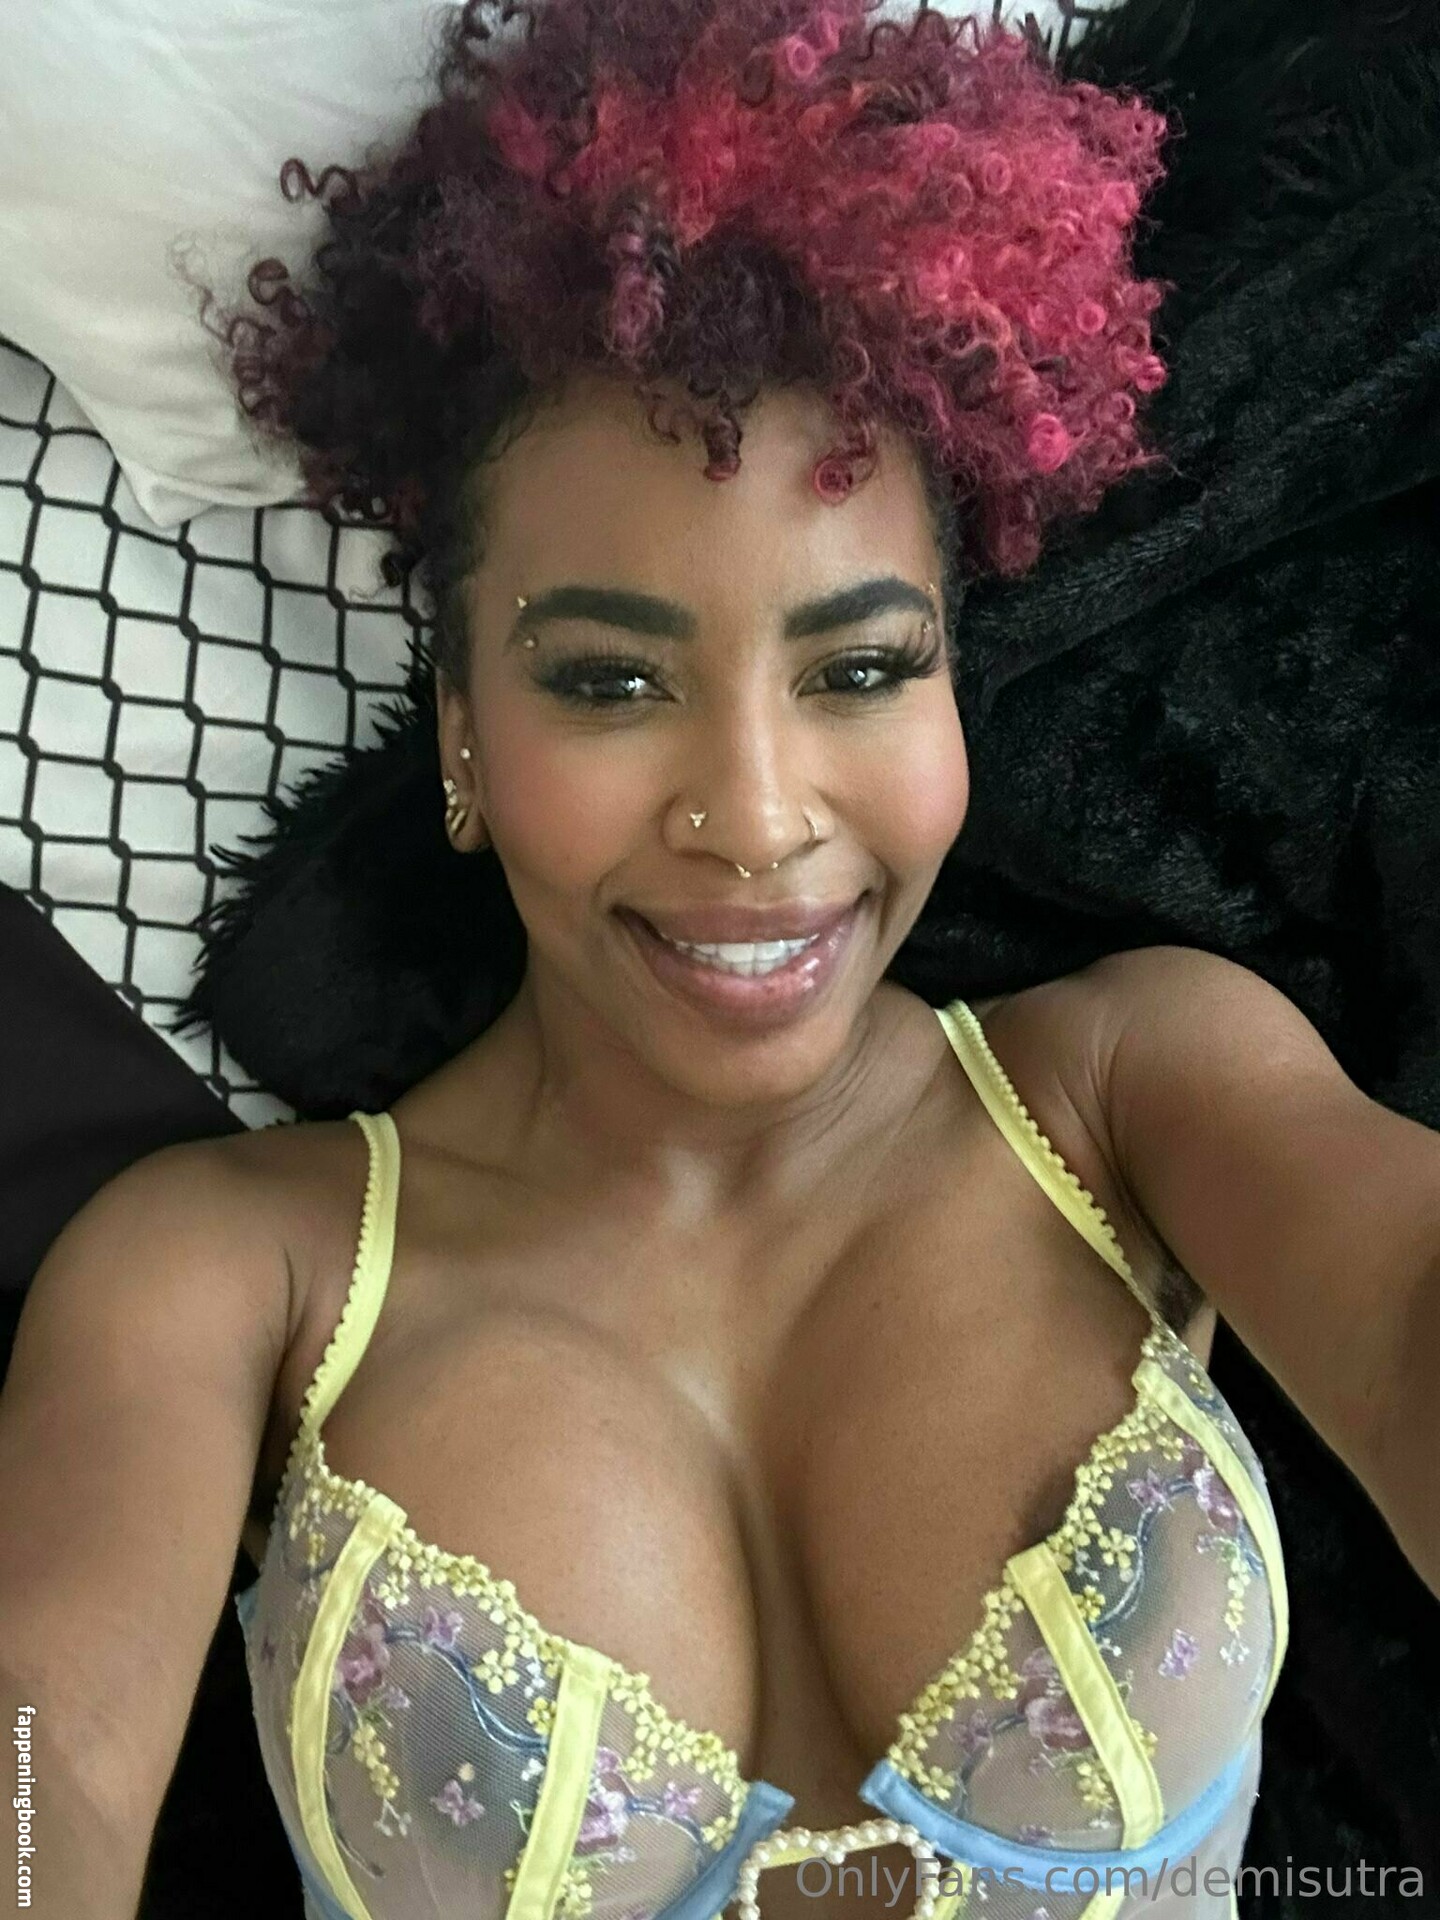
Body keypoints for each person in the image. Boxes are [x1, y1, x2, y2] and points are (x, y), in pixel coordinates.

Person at [2, 4, 1436, 1918]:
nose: (757, 818)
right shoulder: (229, 1277)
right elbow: (43, 1761)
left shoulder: (1137, 1090)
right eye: (609, 683)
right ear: (457, 735)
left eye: (861, 669)